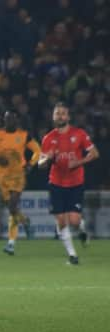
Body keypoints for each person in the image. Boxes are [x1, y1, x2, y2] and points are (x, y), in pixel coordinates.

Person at [38, 102, 100, 265]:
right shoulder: (48, 138)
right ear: (53, 116)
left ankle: (82, 230)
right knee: (61, 220)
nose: (60, 116)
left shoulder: (79, 134)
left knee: (74, 220)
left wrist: (78, 162)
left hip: (75, 183)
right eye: (57, 113)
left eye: (63, 113)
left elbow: (94, 153)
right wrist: (48, 159)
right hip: (56, 183)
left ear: (68, 116)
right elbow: (40, 164)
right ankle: (72, 255)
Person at [0, 110, 41, 255]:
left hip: (18, 175)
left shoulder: (24, 135)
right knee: (12, 210)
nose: (9, 121)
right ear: (4, 120)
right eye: (7, 119)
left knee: (13, 205)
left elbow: (38, 151)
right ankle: (25, 221)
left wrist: (31, 164)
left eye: (12, 119)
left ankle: (11, 243)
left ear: (17, 120)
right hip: (2, 176)